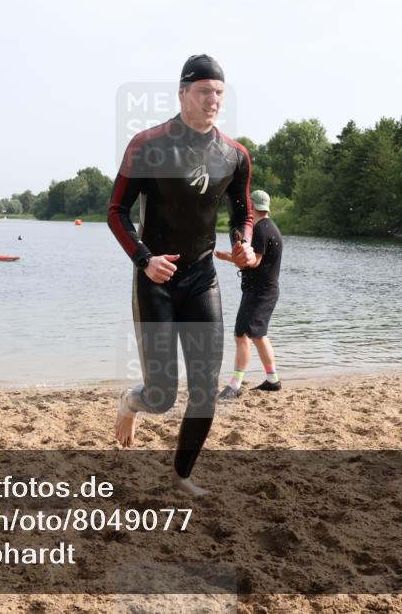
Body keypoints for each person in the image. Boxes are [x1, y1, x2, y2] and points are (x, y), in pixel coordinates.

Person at [108, 54, 254, 497]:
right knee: (162, 395)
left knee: (205, 390)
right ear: (183, 93)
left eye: (220, 94)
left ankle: (181, 476)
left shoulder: (234, 154)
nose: (214, 100)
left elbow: (242, 212)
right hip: (155, 280)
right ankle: (130, 404)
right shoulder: (148, 144)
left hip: (202, 278)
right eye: (205, 91)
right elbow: (116, 212)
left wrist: (244, 241)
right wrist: (144, 259)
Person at [217, 190, 283, 399]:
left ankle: (235, 385)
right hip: (265, 291)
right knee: (257, 335)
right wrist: (228, 256)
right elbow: (251, 259)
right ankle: (272, 380)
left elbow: (254, 261)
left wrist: (230, 257)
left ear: (252, 207)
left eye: (247, 207)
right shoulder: (269, 227)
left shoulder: (261, 230)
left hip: (259, 293)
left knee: (242, 335)